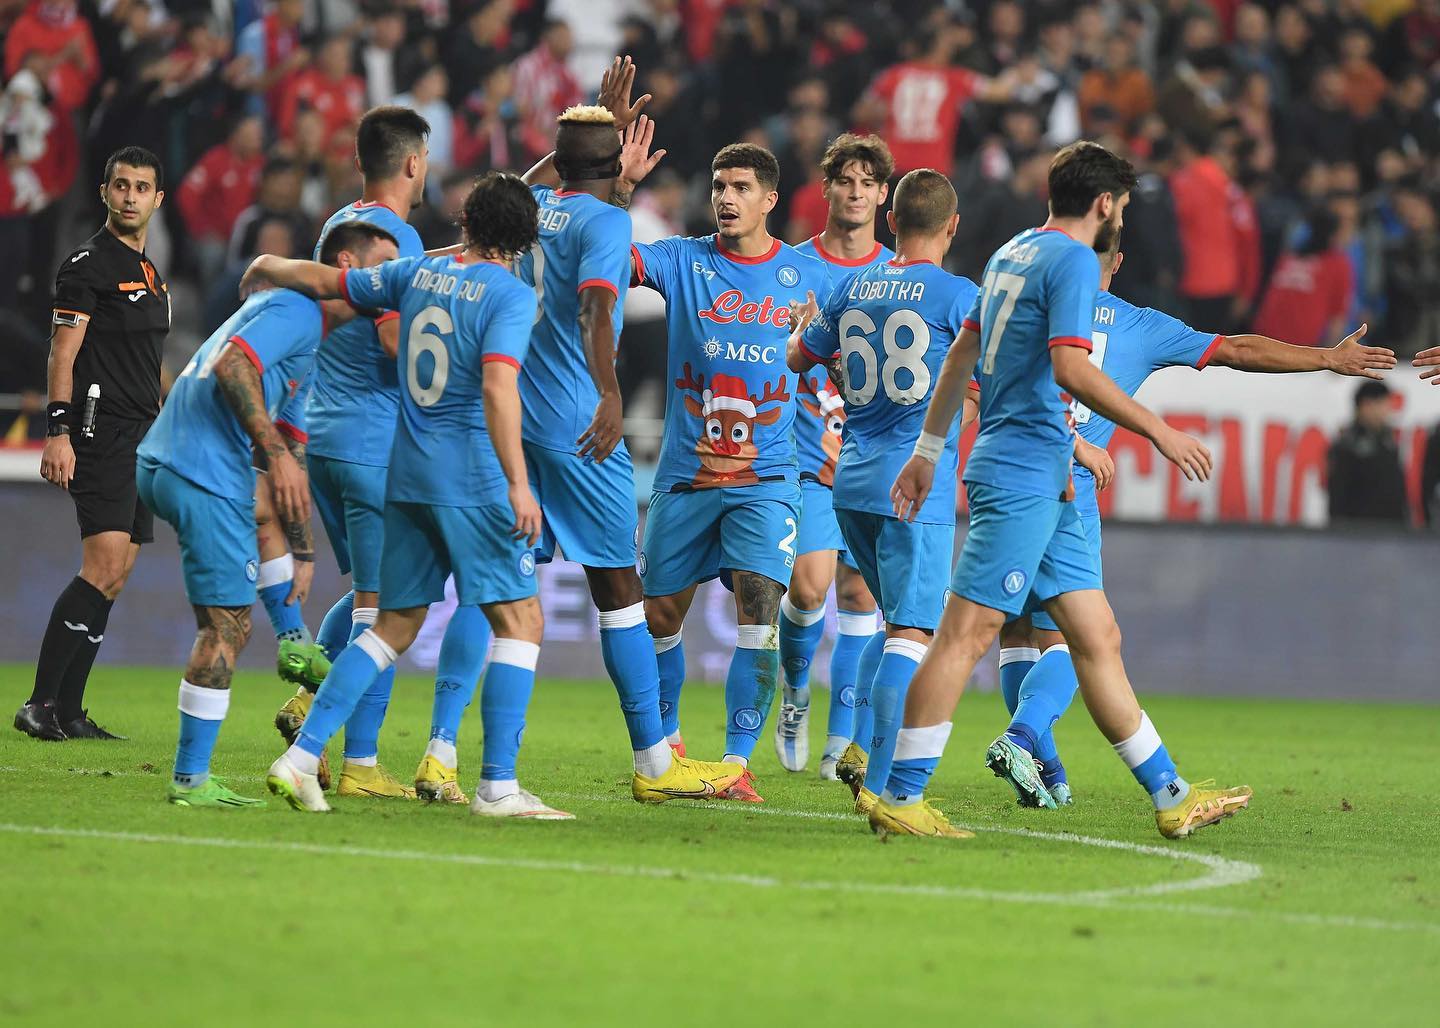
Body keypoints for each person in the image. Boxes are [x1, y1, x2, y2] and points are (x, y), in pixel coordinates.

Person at [882, 141, 1251, 840]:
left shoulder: (1011, 252)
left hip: (1044, 476)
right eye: (1125, 204)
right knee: (965, 636)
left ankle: (1171, 794)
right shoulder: (1077, 260)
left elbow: (963, 354)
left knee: (1096, 635)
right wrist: (1158, 431)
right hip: (1024, 472)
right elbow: (1072, 370)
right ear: (1106, 204)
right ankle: (902, 796)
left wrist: (930, 452)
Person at [992, 232, 1395, 807]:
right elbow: (1236, 348)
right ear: (1118, 259)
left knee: (1015, 631)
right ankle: (1026, 739)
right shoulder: (1136, 325)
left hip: (1004, 481)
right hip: (1065, 498)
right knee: (1080, 637)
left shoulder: (1027, 306)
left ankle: (1047, 775)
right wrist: (1325, 358)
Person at [251, 172, 570, 820]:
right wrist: (516, 482)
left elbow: (325, 281)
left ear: (466, 222)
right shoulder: (508, 295)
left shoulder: (415, 273)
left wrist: (265, 263)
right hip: (472, 478)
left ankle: (301, 757)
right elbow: (499, 389)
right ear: (523, 240)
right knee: (522, 620)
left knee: (392, 625)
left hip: (406, 475)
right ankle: (497, 786)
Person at [517, 84, 745, 801]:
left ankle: (439, 755)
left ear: (558, 159)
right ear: (616, 162)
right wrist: (612, 393)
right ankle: (655, 761)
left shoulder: (526, 207)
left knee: (492, 592)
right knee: (620, 588)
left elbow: (505, 194)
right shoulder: (609, 223)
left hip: (511, 422)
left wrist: (593, 138)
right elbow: (596, 302)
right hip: (579, 425)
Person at [137, 220, 400, 807]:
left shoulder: (313, 345)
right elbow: (235, 366)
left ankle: (294, 640)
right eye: (381, 268)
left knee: (261, 516)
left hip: (183, 462)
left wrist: (304, 549)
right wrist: (277, 455)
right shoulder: (298, 311)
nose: (389, 284)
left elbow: (291, 452)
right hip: (197, 468)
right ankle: (191, 780)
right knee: (226, 626)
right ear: (346, 268)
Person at [273, 105, 489, 804]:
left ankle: (313, 701)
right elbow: (397, 342)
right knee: (385, 608)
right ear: (413, 162)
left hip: (326, 436)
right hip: (374, 441)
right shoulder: (394, 237)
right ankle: (360, 762)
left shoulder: (341, 223)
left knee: (372, 592)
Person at [623, 139, 831, 803]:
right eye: (719, 185)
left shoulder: (807, 278)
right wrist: (618, 189)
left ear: (769, 200)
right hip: (686, 475)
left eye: (740, 187)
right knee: (658, 616)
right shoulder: (683, 260)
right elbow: (609, 260)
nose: (725, 198)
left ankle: (737, 764)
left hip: (768, 479)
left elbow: (853, 351)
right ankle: (670, 749)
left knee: (759, 610)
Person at [786, 168, 978, 816]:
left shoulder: (848, 287)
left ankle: (860, 750)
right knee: (913, 633)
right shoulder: (958, 297)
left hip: (851, 482)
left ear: (890, 221)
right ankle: (890, 789)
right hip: (913, 486)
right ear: (953, 226)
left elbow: (797, 358)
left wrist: (803, 327)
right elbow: (986, 379)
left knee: (891, 621)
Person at [17, 147, 169, 742]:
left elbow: (149, 365)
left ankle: (70, 710)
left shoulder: (152, 275)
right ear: (105, 193)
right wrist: (58, 430)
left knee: (118, 572)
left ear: (158, 199)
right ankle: (39, 703)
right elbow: (64, 351)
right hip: (99, 431)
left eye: (142, 188)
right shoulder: (86, 265)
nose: (130, 197)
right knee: (100, 564)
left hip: (143, 437)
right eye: (121, 186)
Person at [776, 133, 894, 781]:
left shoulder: (897, 276)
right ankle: (796, 691)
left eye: (866, 183)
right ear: (826, 189)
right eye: (843, 181)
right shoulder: (791, 267)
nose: (853, 193)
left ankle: (841, 737)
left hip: (872, 452)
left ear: (882, 194)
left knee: (857, 593)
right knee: (808, 585)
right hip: (807, 454)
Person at [1327, 381, 1409, 526]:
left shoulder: (1388, 441)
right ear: (1366, 405)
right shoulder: (1346, 446)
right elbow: (1337, 496)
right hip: (1358, 533)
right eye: (1384, 404)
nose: (1388, 410)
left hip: (1392, 530)